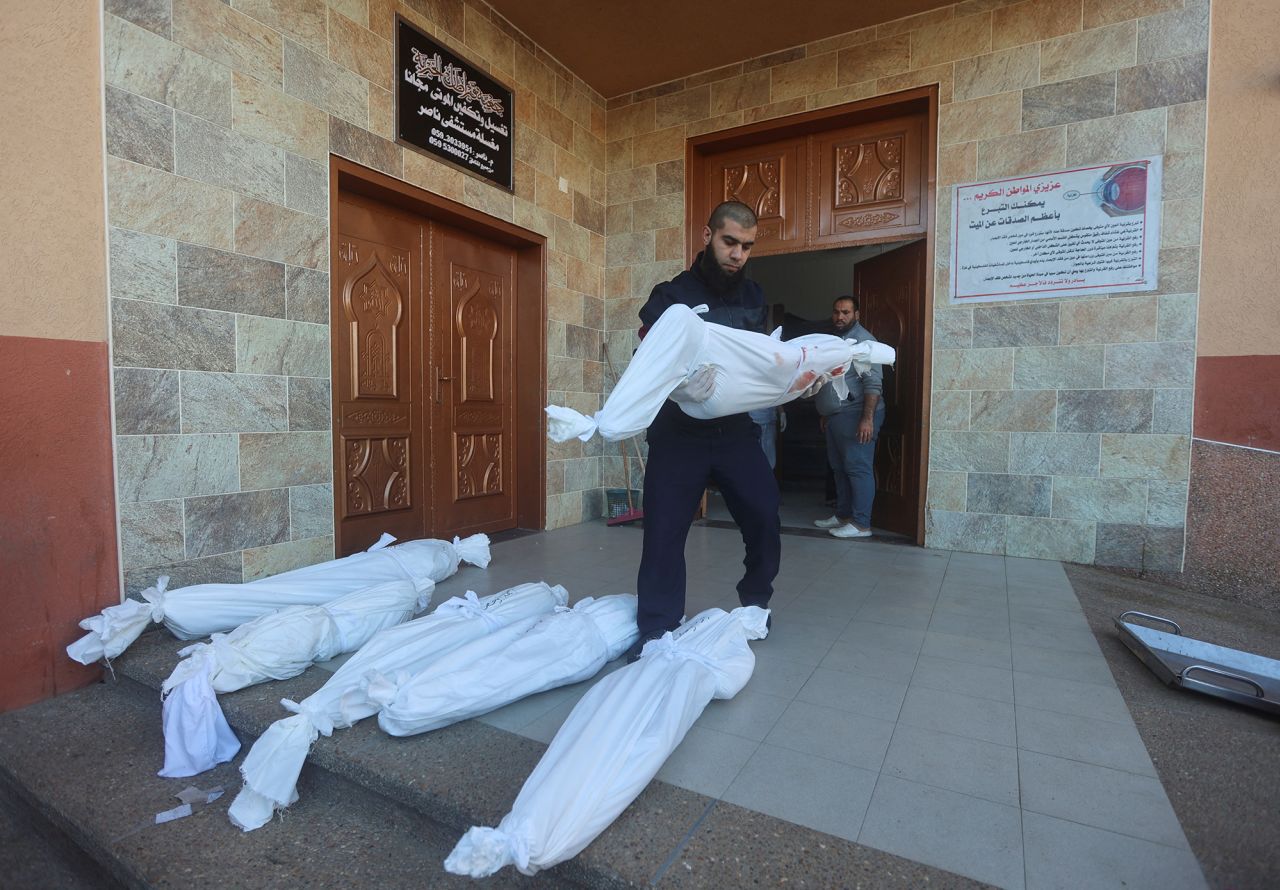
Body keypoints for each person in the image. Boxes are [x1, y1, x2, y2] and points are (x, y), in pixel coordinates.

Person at [627, 201, 780, 662]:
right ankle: (656, 627)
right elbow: (646, 360)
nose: (737, 254)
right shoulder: (671, 294)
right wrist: (679, 387)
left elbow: (764, 360)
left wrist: (798, 378)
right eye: (729, 241)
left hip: (735, 430)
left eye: (747, 246)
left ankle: (755, 604)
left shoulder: (754, 297)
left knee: (764, 515)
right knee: (664, 531)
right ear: (707, 235)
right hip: (678, 433)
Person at [813, 296, 884, 539]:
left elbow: (873, 384)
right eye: (836, 312)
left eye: (845, 312)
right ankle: (843, 515)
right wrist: (827, 412)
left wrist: (867, 419)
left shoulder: (864, 343)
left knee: (857, 468)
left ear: (857, 314)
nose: (840, 317)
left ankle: (861, 524)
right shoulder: (839, 340)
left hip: (858, 413)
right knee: (839, 468)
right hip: (837, 415)